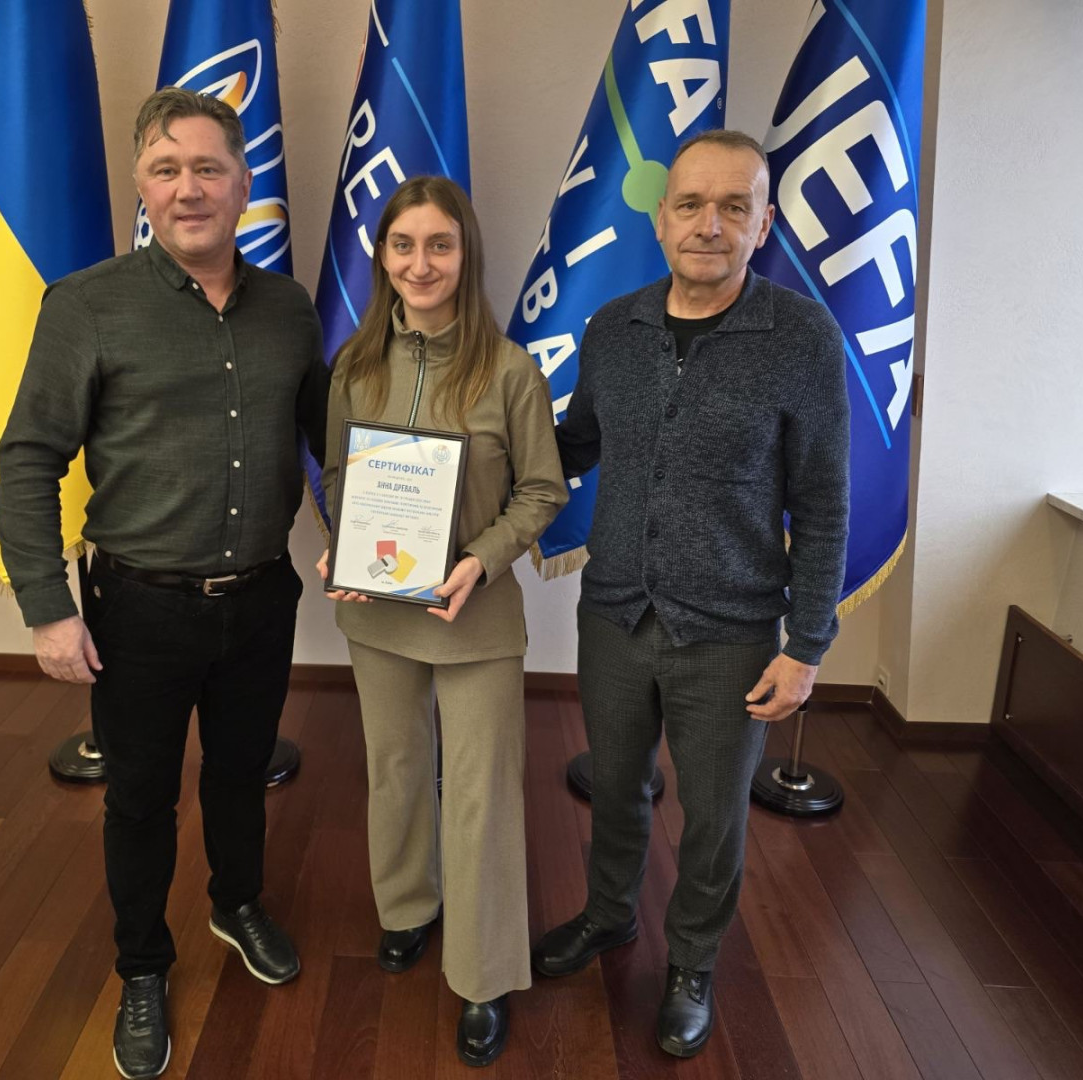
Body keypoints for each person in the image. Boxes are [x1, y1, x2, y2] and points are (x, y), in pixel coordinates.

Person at [0, 88, 329, 1080]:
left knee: (240, 773)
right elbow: (27, 461)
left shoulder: (289, 309)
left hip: (261, 598)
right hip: (136, 610)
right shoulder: (86, 305)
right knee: (140, 799)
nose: (189, 188)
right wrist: (48, 610)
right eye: (166, 169)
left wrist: (376, 539)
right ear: (141, 186)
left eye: (208, 168)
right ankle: (142, 966)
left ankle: (236, 904)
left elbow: (331, 441)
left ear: (243, 183)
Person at [531, 130, 850, 1058]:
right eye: (690, 205)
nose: (709, 225)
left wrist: (807, 645)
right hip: (616, 612)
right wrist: (469, 446)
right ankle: (609, 915)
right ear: (660, 217)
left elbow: (823, 501)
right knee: (615, 784)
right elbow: (576, 442)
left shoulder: (802, 338)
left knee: (713, 816)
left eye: (733, 207)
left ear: (763, 223)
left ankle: (692, 963)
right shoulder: (614, 328)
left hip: (733, 630)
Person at [316, 176, 566, 1067]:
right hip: (377, 614)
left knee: (480, 790)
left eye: (440, 245)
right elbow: (338, 476)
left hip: (476, 618)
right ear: (382, 257)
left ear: (467, 255)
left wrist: (480, 561)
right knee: (394, 768)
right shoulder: (354, 367)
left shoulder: (510, 371)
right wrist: (342, 545)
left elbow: (542, 491)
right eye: (404, 245)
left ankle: (483, 973)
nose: (421, 264)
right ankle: (408, 907)